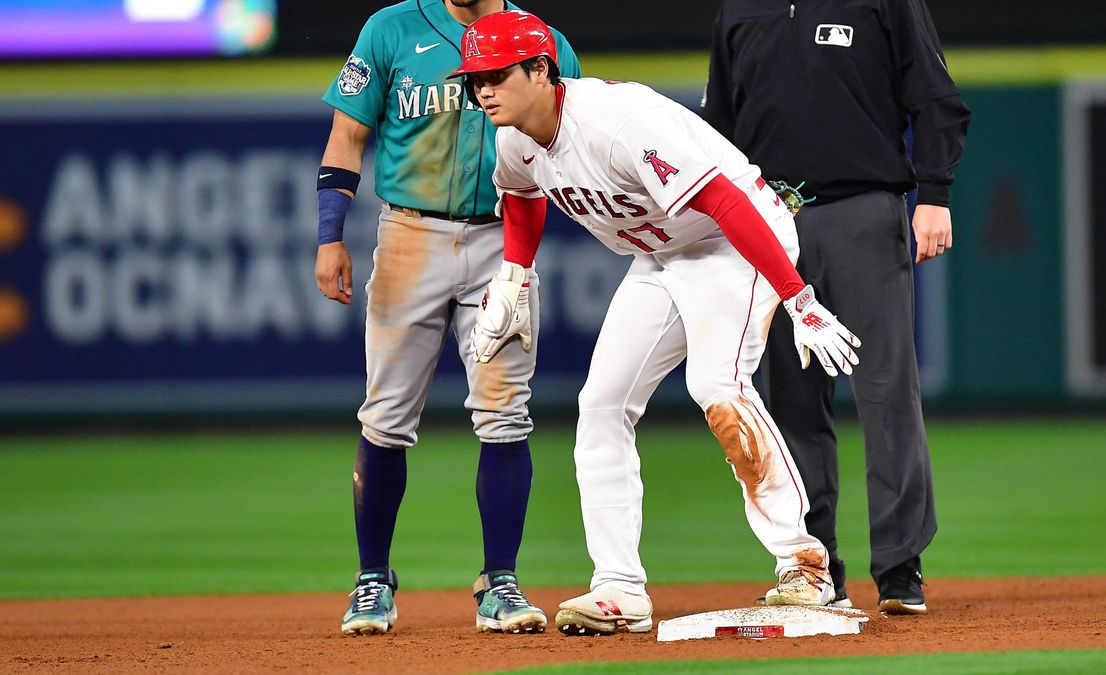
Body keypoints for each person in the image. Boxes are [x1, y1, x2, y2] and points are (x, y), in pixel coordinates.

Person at [450, 10, 862, 637]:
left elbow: (726, 199)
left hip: (735, 239)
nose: (483, 89)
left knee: (717, 386)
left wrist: (799, 299)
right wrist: (512, 277)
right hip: (662, 252)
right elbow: (522, 198)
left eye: (497, 74)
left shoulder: (618, 125)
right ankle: (619, 589)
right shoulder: (513, 137)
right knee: (601, 403)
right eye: (475, 77)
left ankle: (805, 566)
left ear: (540, 69)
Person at [314, 0, 580, 636]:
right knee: (385, 414)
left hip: (503, 241)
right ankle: (372, 580)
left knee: (504, 412)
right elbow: (348, 133)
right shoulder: (390, 29)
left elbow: (572, 140)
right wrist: (330, 235)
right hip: (410, 234)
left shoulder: (542, 40)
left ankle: (502, 583)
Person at [702, 0, 972, 615]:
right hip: (768, 225)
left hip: (863, 211)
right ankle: (814, 565)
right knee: (791, 403)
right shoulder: (739, 10)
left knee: (886, 392)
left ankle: (901, 568)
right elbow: (715, 128)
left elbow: (935, 96)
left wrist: (935, 194)